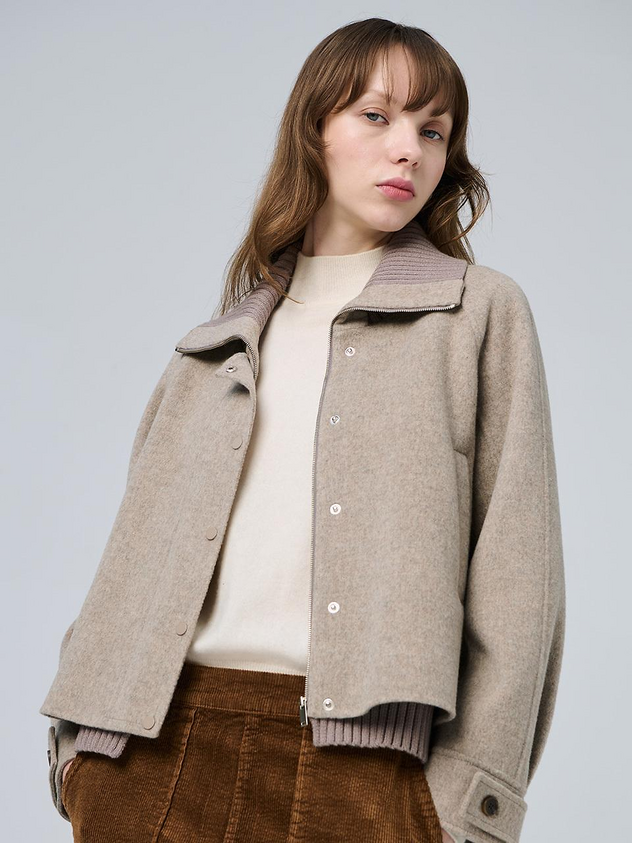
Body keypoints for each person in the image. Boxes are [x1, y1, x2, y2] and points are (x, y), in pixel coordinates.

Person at [40, 17, 565, 843]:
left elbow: (519, 578)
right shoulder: (215, 348)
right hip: (152, 759)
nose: (408, 150)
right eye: (377, 116)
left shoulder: (477, 316)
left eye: (433, 131)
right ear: (313, 129)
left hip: (366, 777)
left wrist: (463, 803)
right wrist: (78, 757)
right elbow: (128, 565)